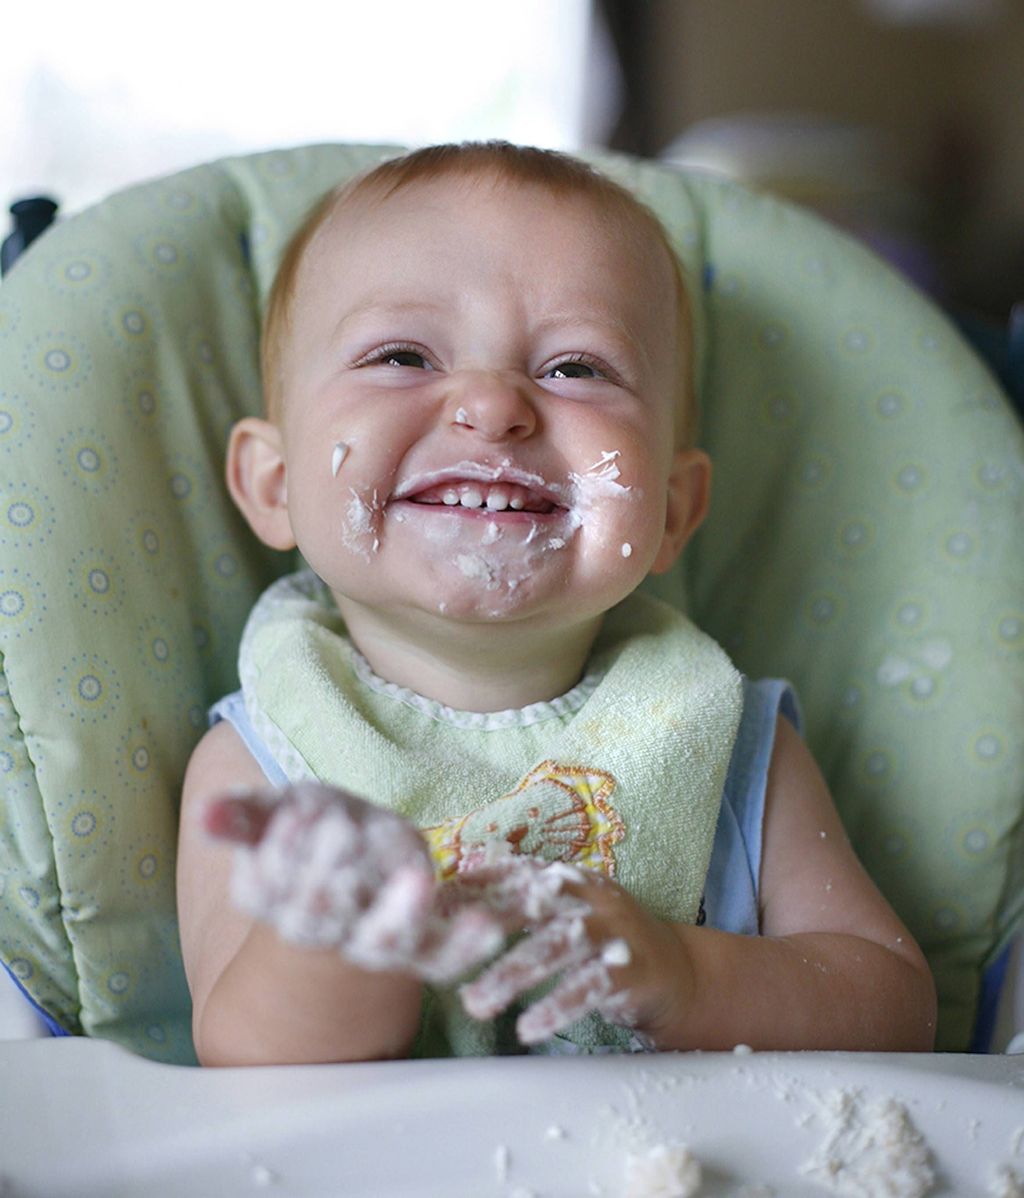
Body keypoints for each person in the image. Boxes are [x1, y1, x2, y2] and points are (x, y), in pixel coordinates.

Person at [176, 142, 937, 1067]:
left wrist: (692, 978)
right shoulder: (263, 764)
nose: (493, 406)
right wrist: (344, 935)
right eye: (404, 355)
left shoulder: (727, 741)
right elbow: (241, 1060)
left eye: (576, 368)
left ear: (671, 510)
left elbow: (891, 1005)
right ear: (274, 483)